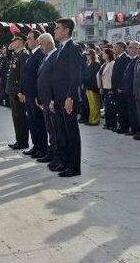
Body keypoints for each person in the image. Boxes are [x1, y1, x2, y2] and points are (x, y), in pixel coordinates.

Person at [50, 18, 83, 177]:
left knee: (71, 133)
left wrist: (70, 97)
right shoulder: (60, 49)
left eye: (57, 28)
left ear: (66, 30)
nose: (55, 31)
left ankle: (74, 167)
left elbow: (75, 76)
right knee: (62, 132)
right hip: (58, 98)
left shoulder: (73, 48)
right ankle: (65, 162)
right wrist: (53, 98)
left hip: (67, 98)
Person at [19, 30, 48, 159]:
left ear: (37, 40)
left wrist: (38, 96)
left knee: (39, 123)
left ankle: (42, 148)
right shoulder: (31, 55)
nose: (27, 41)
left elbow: (39, 77)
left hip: (35, 96)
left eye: (30, 38)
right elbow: (25, 75)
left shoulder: (40, 55)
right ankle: (36, 146)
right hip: (28, 95)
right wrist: (22, 91)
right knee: (32, 122)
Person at [36, 33, 61, 167]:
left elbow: (56, 80)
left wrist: (52, 99)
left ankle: (58, 157)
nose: (40, 47)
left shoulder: (56, 56)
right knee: (50, 128)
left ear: (48, 43)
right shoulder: (46, 57)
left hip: (52, 101)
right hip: (45, 100)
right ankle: (51, 153)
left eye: (41, 44)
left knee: (56, 130)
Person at [6, 36, 29, 150]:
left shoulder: (24, 54)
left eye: (14, 41)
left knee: (20, 117)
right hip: (12, 90)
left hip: (17, 92)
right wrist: (9, 50)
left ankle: (23, 142)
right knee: (16, 117)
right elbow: (7, 63)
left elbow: (22, 76)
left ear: (20, 42)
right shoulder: (16, 55)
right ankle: (18, 140)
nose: (12, 43)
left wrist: (21, 91)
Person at [119, 41, 139, 135]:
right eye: (129, 47)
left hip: (133, 90)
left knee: (134, 111)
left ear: (136, 49)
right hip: (127, 90)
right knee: (130, 111)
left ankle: (136, 129)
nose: (128, 49)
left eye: (131, 47)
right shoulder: (131, 60)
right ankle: (133, 128)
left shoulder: (137, 60)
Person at [111, 42, 130, 133]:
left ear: (122, 48)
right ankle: (121, 125)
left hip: (121, 88)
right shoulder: (118, 58)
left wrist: (120, 87)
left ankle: (124, 127)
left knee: (123, 108)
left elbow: (124, 75)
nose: (114, 49)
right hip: (116, 88)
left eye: (116, 47)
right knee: (119, 108)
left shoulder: (126, 58)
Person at [97, 48, 115, 130]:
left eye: (104, 53)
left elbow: (112, 77)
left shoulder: (112, 63)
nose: (102, 54)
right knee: (106, 107)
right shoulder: (103, 64)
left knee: (110, 107)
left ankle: (111, 123)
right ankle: (108, 123)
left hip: (109, 87)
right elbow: (100, 76)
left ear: (109, 54)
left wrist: (112, 88)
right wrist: (100, 87)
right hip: (103, 87)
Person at [83, 50, 101, 125]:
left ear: (92, 55)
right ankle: (91, 120)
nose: (87, 55)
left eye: (88, 54)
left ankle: (95, 120)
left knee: (95, 104)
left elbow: (95, 76)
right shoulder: (87, 64)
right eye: (86, 54)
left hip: (93, 87)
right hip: (87, 86)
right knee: (91, 105)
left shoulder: (96, 64)